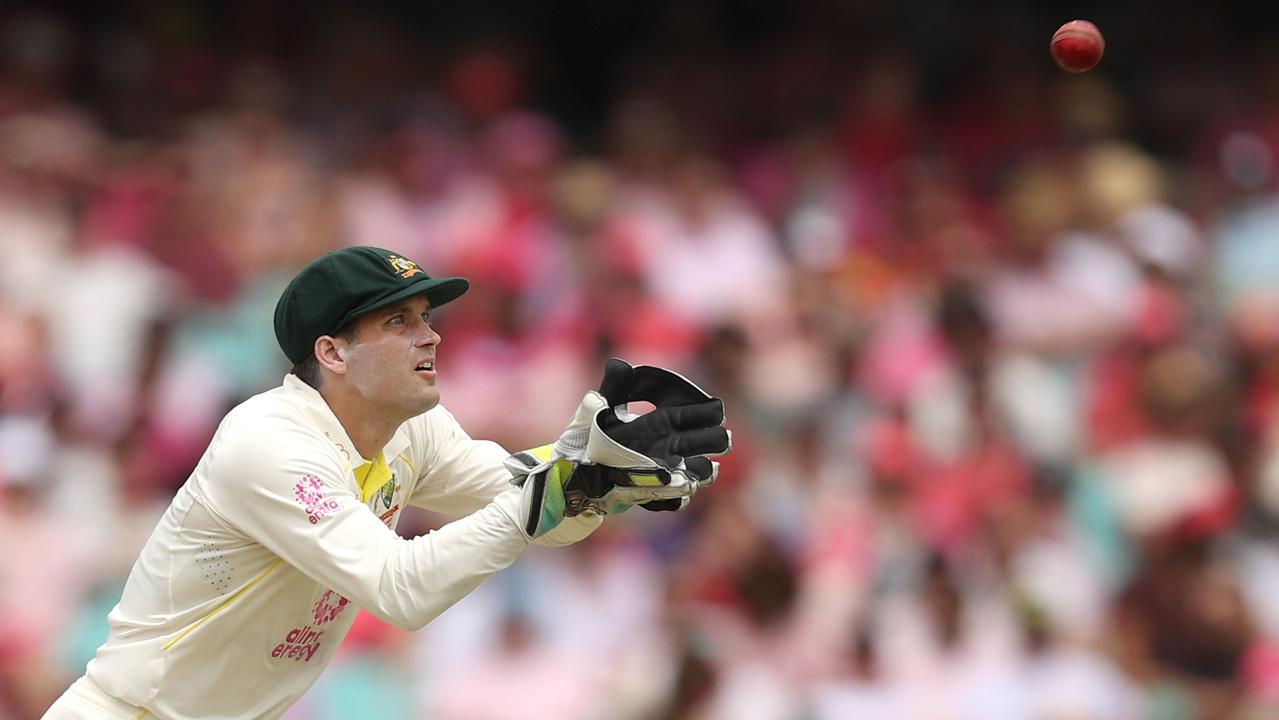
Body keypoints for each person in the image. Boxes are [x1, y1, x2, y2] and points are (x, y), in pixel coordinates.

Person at [43, 246, 730, 719]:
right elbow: (401, 588)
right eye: (398, 321)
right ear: (332, 352)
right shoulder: (270, 443)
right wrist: (559, 487)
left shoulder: (413, 433)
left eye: (427, 318)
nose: (429, 337)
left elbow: (542, 514)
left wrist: (598, 477)